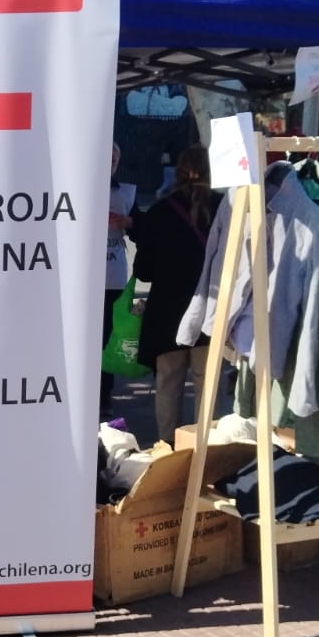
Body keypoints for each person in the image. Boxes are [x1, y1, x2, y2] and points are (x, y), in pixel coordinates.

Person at [129, 145, 220, 441]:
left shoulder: (159, 212)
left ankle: (169, 447)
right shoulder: (225, 209)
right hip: (211, 313)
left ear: (178, 173)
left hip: (166, 316)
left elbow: (144, 271)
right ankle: (206, 450)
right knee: (208, 385)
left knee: (168, 385)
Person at [100, 143, 137, 419]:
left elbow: (140, 229)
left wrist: (127, 222)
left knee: (107, 338)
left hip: (113, 277)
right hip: (83, 279)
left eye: (115, 159)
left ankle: (103, 396)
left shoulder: (126, 191)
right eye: (107, 157)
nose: (111, 162)